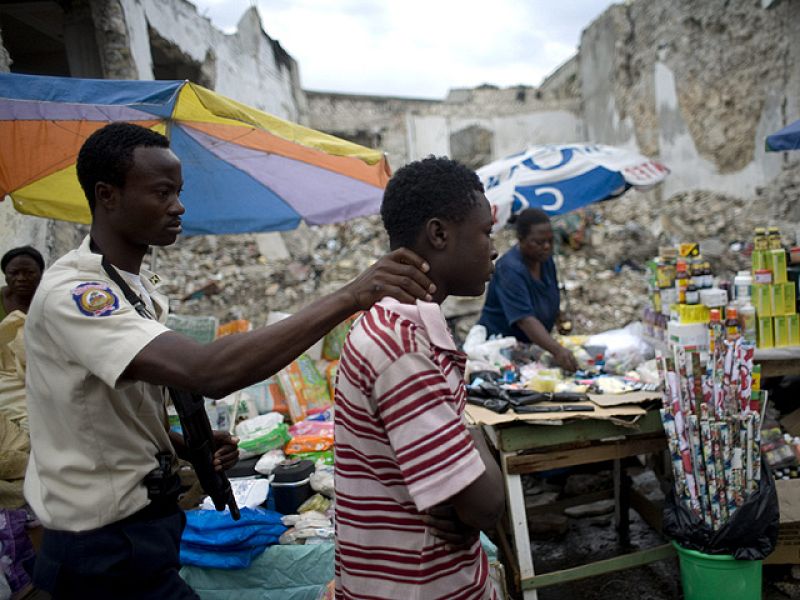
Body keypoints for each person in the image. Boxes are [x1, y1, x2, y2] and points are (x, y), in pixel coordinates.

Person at [24, 122, 436, 599]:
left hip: (142, 531)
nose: (179, 207)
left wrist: (183, 446)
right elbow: (207, 372)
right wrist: (350, 296)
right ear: (107, 195)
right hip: (100, 547)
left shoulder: (133, 289)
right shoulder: (76, 295)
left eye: (178, 192)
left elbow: (101, 413)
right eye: (162, 192)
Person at [334, 156, 505, 599]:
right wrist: (472, 439)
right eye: (486, 232)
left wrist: (463, 457)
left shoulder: (406, 327)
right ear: (439, 234)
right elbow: (487, 505)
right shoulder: (400, 345)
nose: (493, 248)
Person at [478, 208, 578, 372]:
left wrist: (557, 316)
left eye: (550, 241)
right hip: (500, 349)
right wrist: (557, 350)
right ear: (521, 239)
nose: (546, 246)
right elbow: (524, 319)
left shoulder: (545, 261)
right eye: (538, 242)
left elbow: (546, 295)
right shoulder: (510, 269)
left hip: (528, 346)